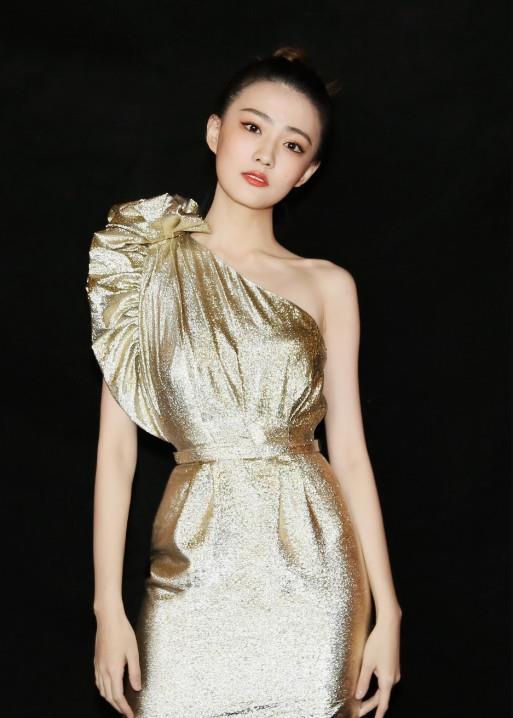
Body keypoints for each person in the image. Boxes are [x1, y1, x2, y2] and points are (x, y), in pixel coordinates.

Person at [86, 46, 402, 718]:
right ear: (215, 131)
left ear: (307, 172)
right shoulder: (143, 260)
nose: (264, 154)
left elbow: (349, 452)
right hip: (191, 556)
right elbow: (114, 452)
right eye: (252, 127)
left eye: (292, 144)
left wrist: (389, 611)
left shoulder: (327, 285)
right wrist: (107, 607)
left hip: (314, 567)